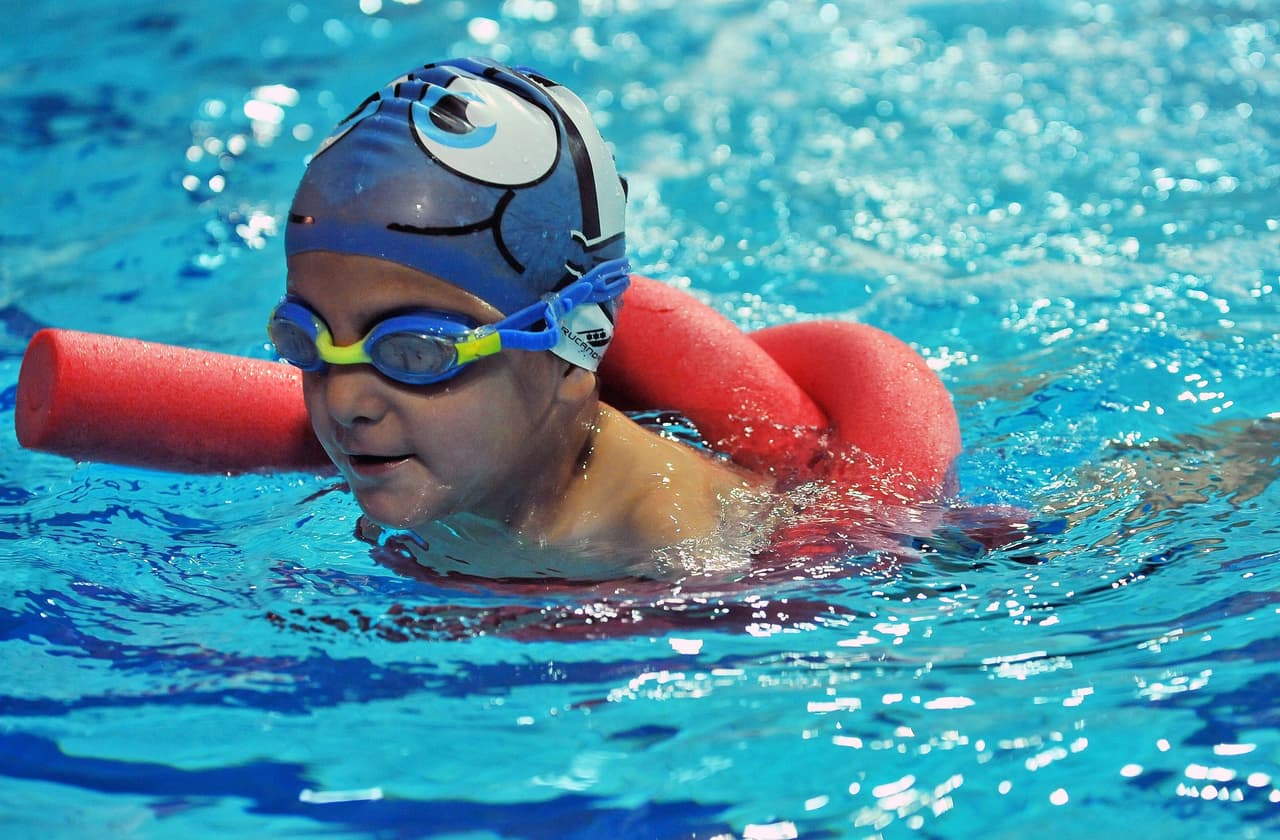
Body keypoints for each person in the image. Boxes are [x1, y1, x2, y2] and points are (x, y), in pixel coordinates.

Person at [270, 57, 772, 580]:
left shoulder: (679, 546)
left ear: (569, 356)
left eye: (416, 352)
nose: (343, 401)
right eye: (306, 339)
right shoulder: (426, 468)